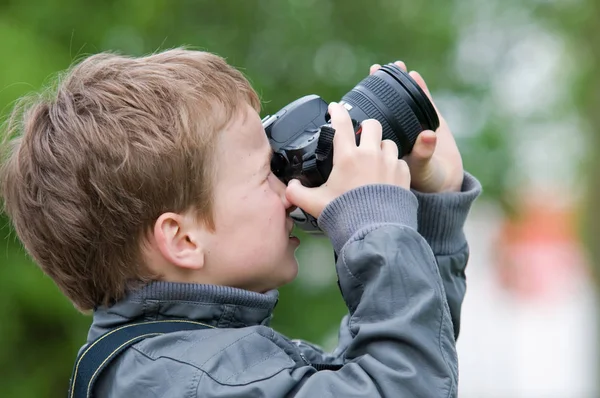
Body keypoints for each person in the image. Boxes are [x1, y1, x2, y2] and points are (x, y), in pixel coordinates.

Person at [0, 49, 481, 397]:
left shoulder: (181, 367)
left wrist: (429, 208)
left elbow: (391, 369)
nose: (287, 184)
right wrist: (374, 223)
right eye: (264, 172)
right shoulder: (194, 381)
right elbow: (398, 385)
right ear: (183, 239)